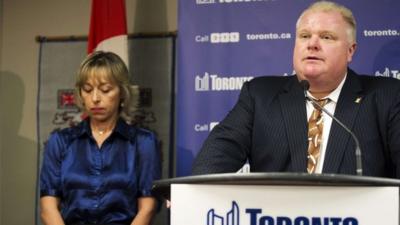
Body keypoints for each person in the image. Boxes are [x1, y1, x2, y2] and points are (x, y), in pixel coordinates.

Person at [192, 1, 400, 178]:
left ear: (350, 51)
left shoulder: (387, 97)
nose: (312, 44)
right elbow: (217, 156)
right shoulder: (260, 95)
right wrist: (191, 195)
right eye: (304, 36)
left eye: (326, 37)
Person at [40, 51, 161, 225]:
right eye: (88, 90)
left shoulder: (143, 142)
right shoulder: (60, 141)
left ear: (122, 93)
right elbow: (48, 208)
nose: (95, 98)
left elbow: (148, 208)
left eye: (105, 89)